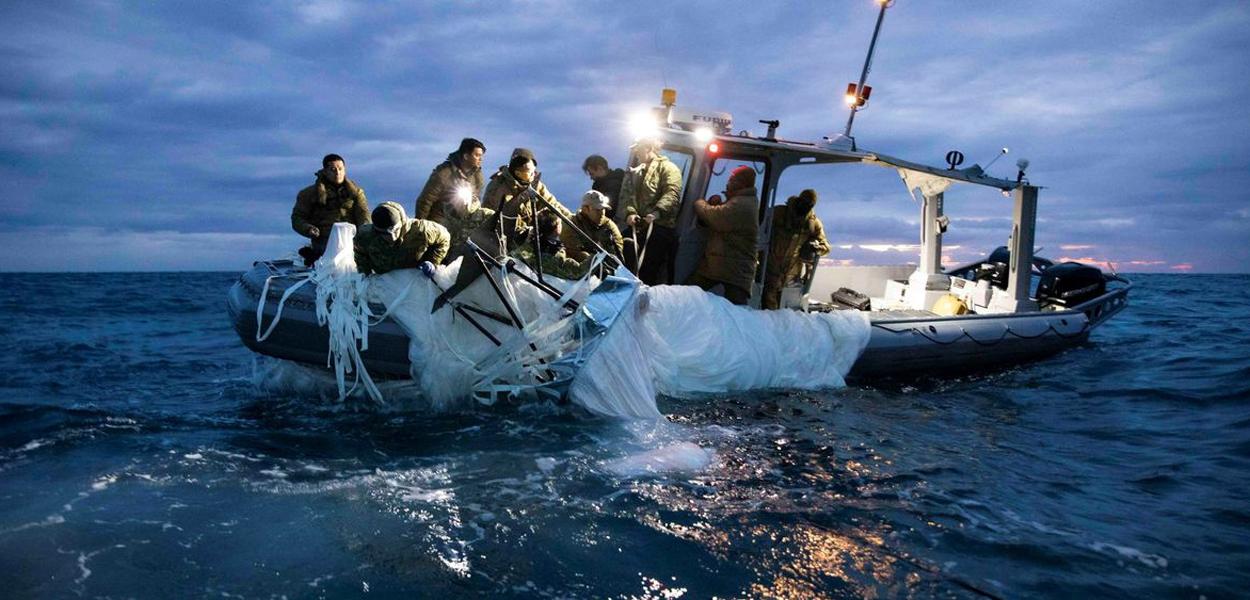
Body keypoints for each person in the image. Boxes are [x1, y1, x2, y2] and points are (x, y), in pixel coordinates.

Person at [686, 166, 760, 305]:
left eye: (732, 179)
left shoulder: (743, 203)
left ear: (742, 183)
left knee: (689, 294)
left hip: (733, 270)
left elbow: (715, 217)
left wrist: (700, 202)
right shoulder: (740, 201)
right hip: (727, 266)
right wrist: (717, 204)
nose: (728, 183)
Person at [482, 148, 572, 249]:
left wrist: (571, 220)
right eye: (530, 172)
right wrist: (532, 233)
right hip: (503, 242)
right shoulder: (498, 190)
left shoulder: (534, 185)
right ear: (518, 173)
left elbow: (552, 204)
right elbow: (505, 223)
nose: (534, 174)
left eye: (534, 170)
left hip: (531, 236)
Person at [621, 138, 682, 285]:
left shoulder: (669, 168)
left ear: (648, 148)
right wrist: (630, 213)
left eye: (638, 148)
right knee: (622, 254)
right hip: (638, 226)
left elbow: (672, 193)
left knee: (648, 270)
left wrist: (657, 213)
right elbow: (628, 195)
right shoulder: (636, 171)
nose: (635, 152)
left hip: (659, 227)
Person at [292, 153, 370, 265]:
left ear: (345, 170)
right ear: (325, 171)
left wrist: (365, 232)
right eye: (333, 169)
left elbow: (364, 215)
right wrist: (308, 229)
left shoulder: (355, 193)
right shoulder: (309, 194)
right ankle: (313, 256)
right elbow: (297, 218)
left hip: (351, 241)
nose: (337, 173)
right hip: (324, 242)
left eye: (340, 169)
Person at [762, 189, 831, 309]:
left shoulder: (813, 224)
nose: (805, 206)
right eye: (803, 202)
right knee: (767, 308)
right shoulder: (778, 213)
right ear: (798, 200)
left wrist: (815, 247)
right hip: (769, 270)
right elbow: (760, 228)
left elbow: (826, 246)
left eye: (809, 204)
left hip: (791, 277)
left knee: (786, 312)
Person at [354, 202, 450, 275]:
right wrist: (366, 274)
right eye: (385, 234)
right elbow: (360, 253)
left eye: (395, 230)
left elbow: (444, 238)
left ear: (402, 223)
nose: (392, 237)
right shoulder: (365, 236)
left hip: (416, 280)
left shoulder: (421, 230)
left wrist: (432, 262)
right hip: (386, 283)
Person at [413, 138, 486, 224]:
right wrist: (420, 225)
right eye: (477, 155)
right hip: (439, 224)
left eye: (481, 156)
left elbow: (476, 200)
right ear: (466, 156)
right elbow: (426, 200)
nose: (481, 159)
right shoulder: (444, 174)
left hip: (462, 225)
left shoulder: (477, 176)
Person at [511, 210, 590, 281]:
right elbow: (578, 272)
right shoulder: (552, 257)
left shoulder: (524, 235)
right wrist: (596, 256)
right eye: (560, 223)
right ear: (556, 229)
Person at [562, 190, 624, 262]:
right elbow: (572, 250)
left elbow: (618, 245)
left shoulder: (608, 225)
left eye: (603, 209)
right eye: (597, 210)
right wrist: (594, 260)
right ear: (585, 209)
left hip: (607, 264)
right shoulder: (571, 224)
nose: (602, 213)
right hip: (582, 268)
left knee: (629, 243)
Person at [581, 154, 626, 221]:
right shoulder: (598, 186)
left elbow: (607, 209)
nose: (591, 178)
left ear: (600, 168)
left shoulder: (615, 183)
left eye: (592, 174)